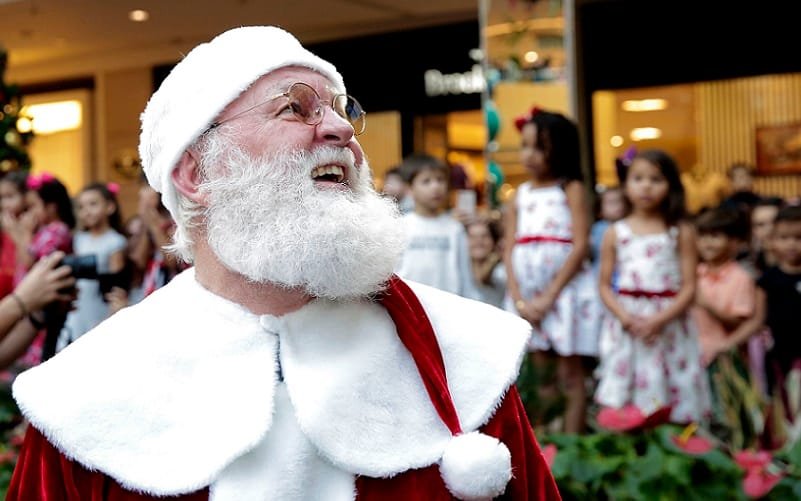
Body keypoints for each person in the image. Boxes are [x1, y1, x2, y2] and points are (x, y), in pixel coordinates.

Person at [7, 26, 559, 500]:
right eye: (295, 107)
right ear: (198, 174)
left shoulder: (461, 354)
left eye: (343, 110)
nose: (342, 131)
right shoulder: (88, 392)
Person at [594, 149, 711, 424]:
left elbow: (689, 287)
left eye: (656, 179)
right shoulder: (615, 232)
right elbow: (603, 285)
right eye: (638, 178)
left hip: (669, 323)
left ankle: (674, 452)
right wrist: (626, 318)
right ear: (626, 185)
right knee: (628, 394)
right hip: (627, 323)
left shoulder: (680, 231)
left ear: (671, 185)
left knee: (673, 391)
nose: (646, 185)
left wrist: (658, 321)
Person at [503, 106, 600, 433]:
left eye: (539, 147)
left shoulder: (569, 188)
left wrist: (550, 296)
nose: (529, 154)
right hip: (529, 300)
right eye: (525, 145)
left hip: (564, 295)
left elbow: (581, 244)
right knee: (541, 374)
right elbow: (509, 246)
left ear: (559, 149)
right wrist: (519, 300)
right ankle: (546, 444)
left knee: (570, 375)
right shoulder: (520, 195)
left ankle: (573, 443)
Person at [691, 206, 765, 443]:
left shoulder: (741, 277)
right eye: (702, 236)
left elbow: (740, 321)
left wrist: (707, 305)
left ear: (735, 243)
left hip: (725, 358)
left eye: (715, 236)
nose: (707, 243)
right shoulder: (694, 273)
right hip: (694, 355)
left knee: (729, 416)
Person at [394, 153, 482, 300]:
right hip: (411, 304)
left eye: (440, 180)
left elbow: (465, 273)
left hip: (448, 305)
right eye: (426, 181)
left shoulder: (455, 228)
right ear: (410, 188)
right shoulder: (400, 226)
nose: (436, 187)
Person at [56, 182, 128, 353]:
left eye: (93, 204)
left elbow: (115, 281)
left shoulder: (115, 242)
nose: (86, 211)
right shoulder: (78, 238)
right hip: (79, 302)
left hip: (99, 304)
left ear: (110, 207)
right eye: (81, 206)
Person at [757, 205, 801, 395]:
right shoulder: (767, 280)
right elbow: (757, 320)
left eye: (799, 238)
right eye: (784, 238)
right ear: (772, 241)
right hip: (779, 356)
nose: (792, 244)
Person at [466, 215, 507, 308]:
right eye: (472, 237)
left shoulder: (501, 272)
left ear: (493, 241)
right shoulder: (457, 272)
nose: (479, 241)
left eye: (484, 236)